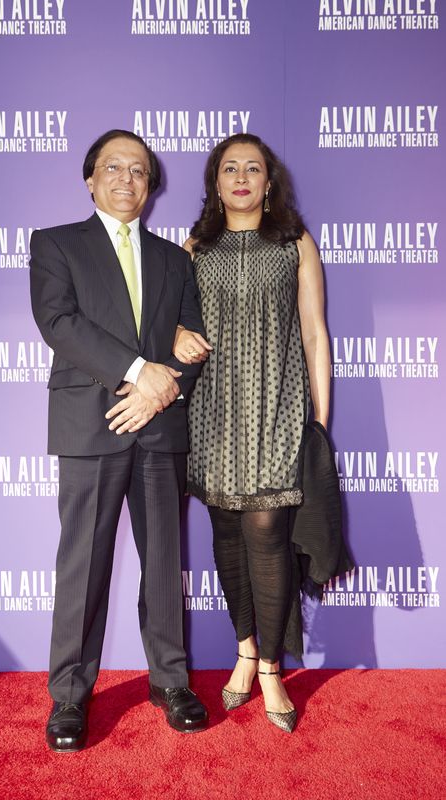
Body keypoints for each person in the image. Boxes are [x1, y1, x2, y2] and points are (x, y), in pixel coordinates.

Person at [30, 129, 209, 752]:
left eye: (139, 170)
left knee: (164, 561)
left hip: (159, 428)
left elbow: (193, 340)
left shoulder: (173, 258)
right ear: (90, 179)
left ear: (151, 186)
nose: (127, 179)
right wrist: (140, 373)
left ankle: (171, 681)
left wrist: (164, 385)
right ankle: (71, 697)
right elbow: (59, 322)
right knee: (82, 565)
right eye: (114, 168)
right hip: (91, 424)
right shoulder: (55, 245)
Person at [175, 133, 331, 734]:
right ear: (216, 183)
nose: (241, 176)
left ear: (269, 183)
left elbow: (315, 332)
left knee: (267, 532)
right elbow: (165, 327)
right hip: (212, 409)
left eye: (253, 168)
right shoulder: (194, 247)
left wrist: (320, 418)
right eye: (229, 168)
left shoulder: (293, 241)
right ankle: (242, 651)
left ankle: (270, 666)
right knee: (225, 533)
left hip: (279, 405)